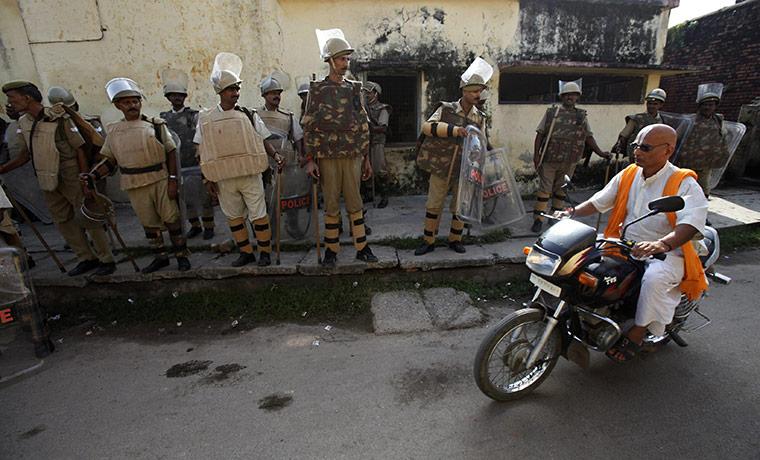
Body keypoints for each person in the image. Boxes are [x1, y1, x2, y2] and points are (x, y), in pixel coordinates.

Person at [555, 124, 708, 363]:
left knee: (654, 279)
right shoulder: (629, 173)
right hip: (626, 242)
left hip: (668, 251)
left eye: (645, 147)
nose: (637, 152)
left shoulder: (683, 182)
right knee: (582, 259)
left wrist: (662, 245)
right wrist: (571, 213)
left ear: (667, 151)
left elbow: (690, 223)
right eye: (636, 146)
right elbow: (599, 201)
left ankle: (637, 332)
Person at [1, 80, 115, 276]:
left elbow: (79, 148)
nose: (9, 102)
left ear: (26, 98)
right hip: (46, 177)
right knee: (63, 220)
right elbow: (24, 154)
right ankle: (85, 258)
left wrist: (86, 178)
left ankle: (106, 258)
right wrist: (3, 168)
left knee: (87, 216)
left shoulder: (59, 118)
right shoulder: (24, 123)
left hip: (70, 174)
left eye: (12, 97)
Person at [80, 77, 191, 273]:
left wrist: (173, 180)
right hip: (134, 182)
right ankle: (160, 256)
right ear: (118, 105)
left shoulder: (155, 125)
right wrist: (93, 176)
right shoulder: (115, 131)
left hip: (159, 178)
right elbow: (109, 160)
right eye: (127, 102)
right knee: (148, 222)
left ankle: (182, 256)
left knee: (171, 219)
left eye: (135, 101)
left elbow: (171, 151)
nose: (132, 105)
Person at [194, 53, 285, 267]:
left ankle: (264, 253)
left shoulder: (248, 114)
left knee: (258, 214)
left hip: (250, 172)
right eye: (231, 89)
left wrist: (275, 154)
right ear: (220, 92)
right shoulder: (206, 119)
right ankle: (246, 252)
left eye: (237, 89)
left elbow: (262, 139)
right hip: (224, 177)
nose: (235, 93)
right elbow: (202, 149)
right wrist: (207, 179)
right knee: (234, 216)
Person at [301, 31, 377, 266]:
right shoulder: (317, 90)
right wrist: (310, 159)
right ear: (331, 61)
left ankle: (362, 247)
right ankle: (331, 251)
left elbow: (363, 126)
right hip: (327, 156)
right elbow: (309, 126)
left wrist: (366, 159)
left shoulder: (356, 89)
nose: (346, 63)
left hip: (353, 155)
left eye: (347, 59)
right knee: (331, 204)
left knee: (355, 203)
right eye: (342, 59)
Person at [413, 59, 490, 256]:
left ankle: (455, 239)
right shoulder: (446, 109)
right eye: (474, 91)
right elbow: (427, 127)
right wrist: (454, 130)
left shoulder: (479, 117)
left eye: (480, 91)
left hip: (464, 168)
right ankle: (428, 241)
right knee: (434, 204)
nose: (477, 95)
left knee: (460, 205)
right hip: (442, 165)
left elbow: (482, 143)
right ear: (464, 91)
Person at [531, 80, 610, 233]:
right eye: (566, 94)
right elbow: (540, 134)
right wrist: (536, 155)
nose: (569, 97)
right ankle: (538, 219)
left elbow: (588, 136)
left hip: (570, 160)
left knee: (561, 190)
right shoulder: (552, 113)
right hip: (550, 159)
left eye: (573, 95)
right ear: (562, 96)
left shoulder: (581, 116)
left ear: (577, 97)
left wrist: (601, 153)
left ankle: (555, 218)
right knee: (545, 190)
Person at [159, 69, 215, 240]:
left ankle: (208, 226)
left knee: (204, 196)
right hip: (178, 164)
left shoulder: (194, 116)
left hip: (195, 162)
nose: (177, 98)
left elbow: (202, 138)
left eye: (180, 95)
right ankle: (195, 225)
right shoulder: (164, 119)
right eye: (173, 95)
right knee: (186, 199)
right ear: (168, 97)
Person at [673, 83, 729, 198]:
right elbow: (676, 137)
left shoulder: (718, 121)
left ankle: (702, 209)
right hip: (688, 161)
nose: (707, 107)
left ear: (715, 106)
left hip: (707, 162)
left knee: (704, 188)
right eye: (705, 104)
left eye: (711, 104)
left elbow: (723, 136)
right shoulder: (690, 120)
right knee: (684, 186)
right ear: (700, 106)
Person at [614, 88, 667, 163]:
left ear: (661, 105)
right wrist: (619, 145)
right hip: (636, 154)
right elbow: (624, 135)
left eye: (655, 104)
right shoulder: (636, 119)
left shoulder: (663, 121)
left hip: (654, 155)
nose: (651, 106)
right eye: (649, 103)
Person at [363, 81, 392, 208]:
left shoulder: (382, 109)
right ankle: (369, 195)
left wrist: (369, 129)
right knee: (364, 170)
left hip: (377, 143)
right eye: (365, 92)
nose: (367, 95)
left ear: (376, 94)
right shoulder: (362, 109)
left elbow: (383, 128)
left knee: (380, 170)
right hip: (364, 144)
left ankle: (384, 197)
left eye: (369, 92)